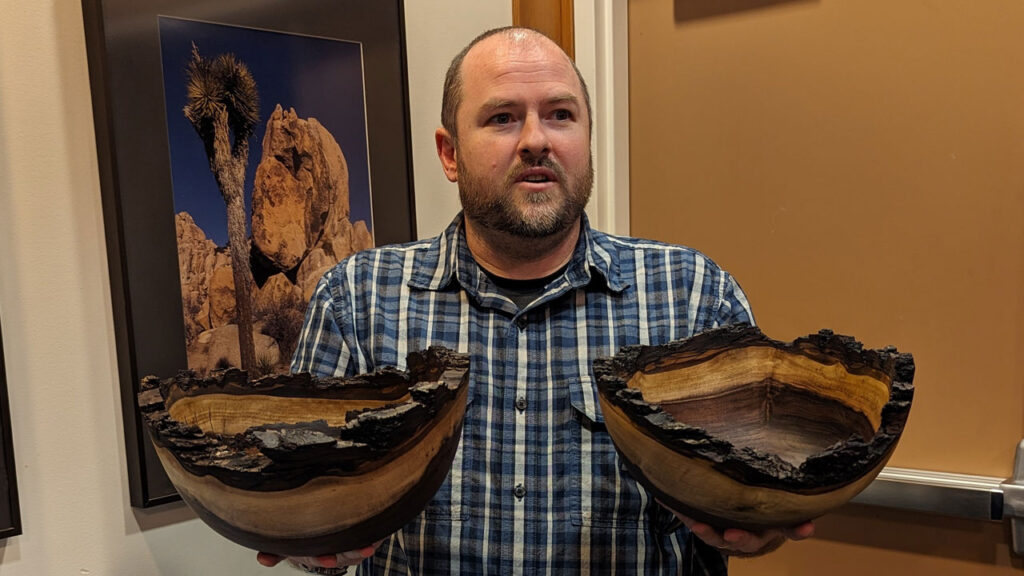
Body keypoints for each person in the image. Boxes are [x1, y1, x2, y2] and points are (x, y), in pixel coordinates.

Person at [258, 26, 813, 575]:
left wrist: (754, 528)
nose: (535, 139)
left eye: (560, 115)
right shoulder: (356, 301)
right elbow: (310, 508)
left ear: (586, 139)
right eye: (502, 117)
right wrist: (311, 543)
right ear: (449, 154)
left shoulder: (693, 295)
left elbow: (747, 493)